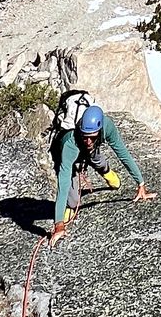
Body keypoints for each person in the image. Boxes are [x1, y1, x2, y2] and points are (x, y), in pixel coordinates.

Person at [51, 104, 155, 243]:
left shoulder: (107, 127)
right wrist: (58, 224)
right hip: (66, 156)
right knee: (73, 200)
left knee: (99, 162)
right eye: (85, 137)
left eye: (92, 137)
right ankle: (70, 206)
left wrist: (140, 183)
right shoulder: (70, 144)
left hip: (92, 152)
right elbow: (63, 184)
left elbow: (123, 153)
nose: (88, 141)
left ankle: (107, 173)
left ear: (100, 130)